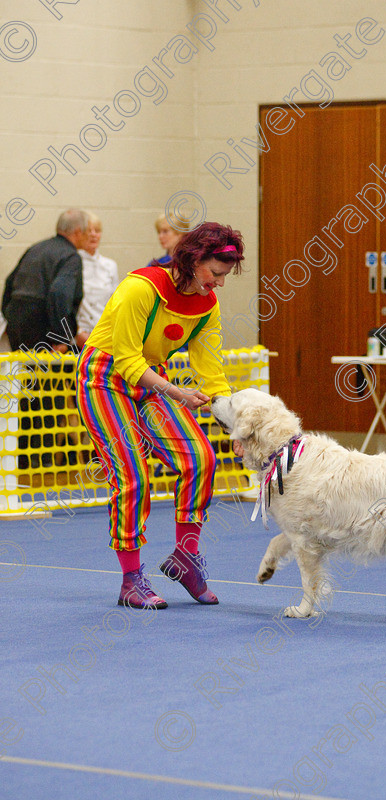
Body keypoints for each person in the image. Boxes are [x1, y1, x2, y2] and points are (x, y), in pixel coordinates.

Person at [76, 221, 244, 609]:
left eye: (224, 277)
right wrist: (173, 392)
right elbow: (127, 359)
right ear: (194, 260)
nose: (219, 283)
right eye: (215, 274)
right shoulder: (142, 287)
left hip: (151, 380)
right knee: (133, 475)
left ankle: (186, 557)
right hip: (105, 377)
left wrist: (238, 428)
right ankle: (131, 580)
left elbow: (211, 373)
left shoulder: (207, 305)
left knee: (200, 458)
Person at [2, 209, 89, 352]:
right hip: (42, 327)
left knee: (23, 372)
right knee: (48, 374)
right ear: (78, 232)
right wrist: (60, 337)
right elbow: (59, 294)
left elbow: (9, 282)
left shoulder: (36, 248)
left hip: (16, 324)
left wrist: (9, 318)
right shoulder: (70, 257)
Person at [76, 213, 119, 349]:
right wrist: (77, 333)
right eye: (89, 230)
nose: (93, 235)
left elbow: (115, 303)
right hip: (79, 337)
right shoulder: (73, 263)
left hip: (104, 337)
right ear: (81, 234)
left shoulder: (110, 265)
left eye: (97, 230)